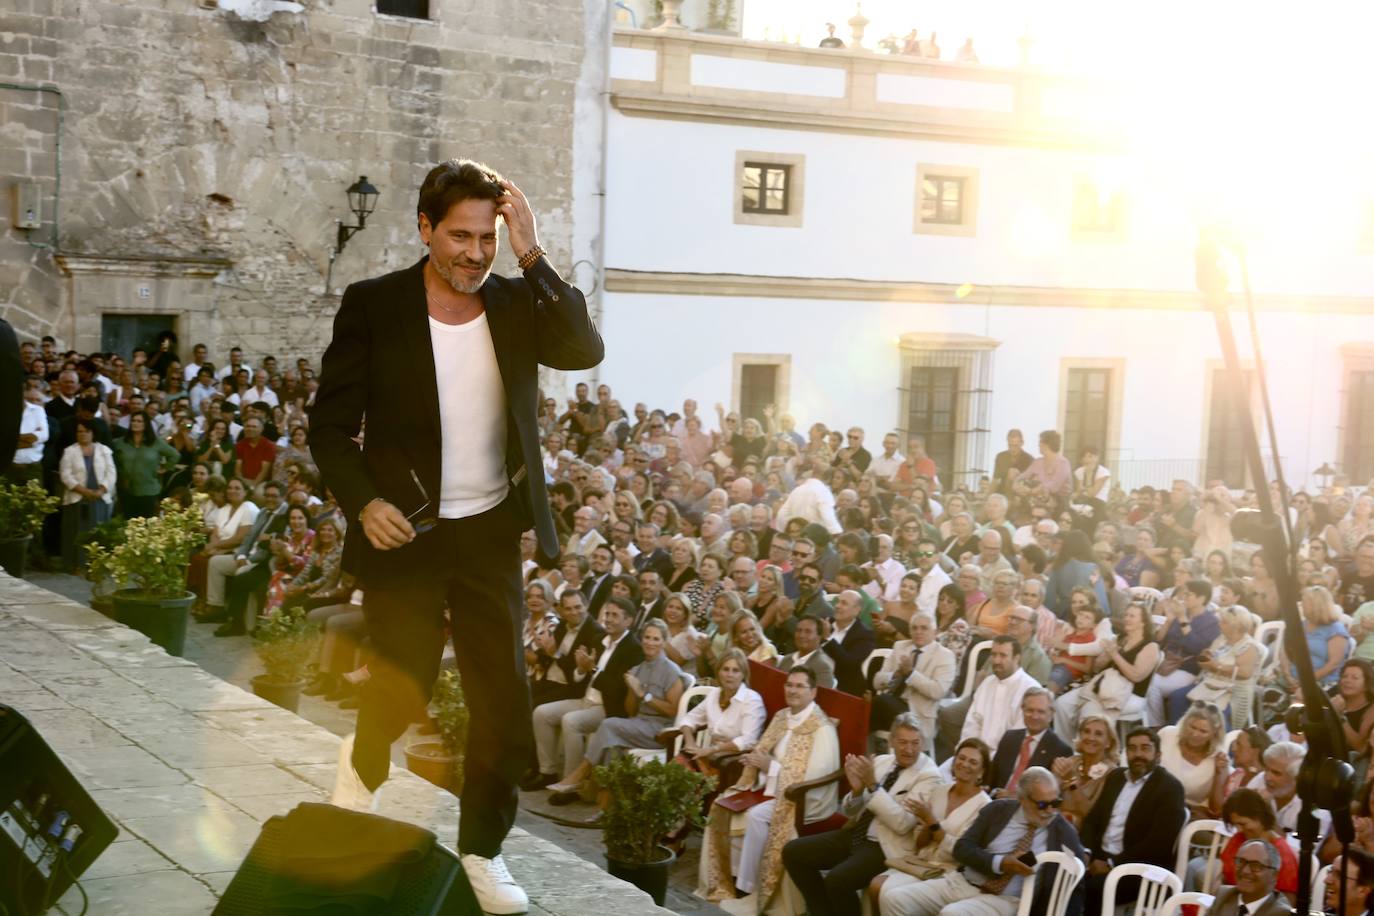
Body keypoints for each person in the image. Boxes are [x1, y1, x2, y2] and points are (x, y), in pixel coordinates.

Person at [310, 158, 603, 911]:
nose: (475, 254)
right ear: (424, 229)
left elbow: (582, 349)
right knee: (401, 678)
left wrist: (532, 249)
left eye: (489, 239)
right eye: (460, 237)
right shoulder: (374, 304)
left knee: (502, 697)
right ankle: (364, 760)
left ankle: (482, 848)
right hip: (405, 533)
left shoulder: (513, 301)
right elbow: (331, 429)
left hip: (488, 532)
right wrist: (362, 501)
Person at [702, 667, 841, 910]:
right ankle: (728, 880)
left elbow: (811, 777)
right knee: (721, 804)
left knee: (756, 816)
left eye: (800, 686)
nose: (793, 690)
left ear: (814, 692)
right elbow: (764, 747)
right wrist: (754, 762)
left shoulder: (821, 729)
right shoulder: (782, 716)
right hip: (770, 787)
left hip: (803, 799)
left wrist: (770, 767)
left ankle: (751, 888)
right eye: (789, 685)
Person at [782, 714, 941, 916]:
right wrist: (857, 792)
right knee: (793, 852)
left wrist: (873, 786)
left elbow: (903, 824)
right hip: (856, 833)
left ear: (922, 743)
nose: (909, 749)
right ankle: (821, 911)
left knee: (837, 880)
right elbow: (849, 811)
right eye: (902, 742)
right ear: (891, 741)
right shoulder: (883, 762)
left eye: (915, 743)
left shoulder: (929, 775)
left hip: (885, 846)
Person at [876, 767, 1086, 916]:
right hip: (964, 883)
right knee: (893, 899)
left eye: (1056, 802)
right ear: (1022, 799)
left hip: (1006, 900)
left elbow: (1077, 879)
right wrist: (999, 863)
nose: (1050, 811)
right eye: (1042, 804)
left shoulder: (1062, 832)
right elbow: (962, 848)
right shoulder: (997, 810)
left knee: (953, 914)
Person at [549, 619, 687, 797]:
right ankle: (607, 806)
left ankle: (579, 775)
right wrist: (631, 690)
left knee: (609, 725)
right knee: (611, 747)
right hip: (639, 724)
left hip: (660, 730)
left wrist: (644, 694)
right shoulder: (638, 668)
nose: (650, 642)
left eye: (656, 639)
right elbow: (630, 712)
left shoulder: (671, 671)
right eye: (647, 637)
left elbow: (673, 711)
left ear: (664, 642)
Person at [530, 597, 642, 793]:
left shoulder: (633, 649)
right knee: (541, 713)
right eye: (607, 614)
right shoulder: (599, 640)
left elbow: (617, 690)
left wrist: (593, 669)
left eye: (615, 615)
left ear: (629, 621)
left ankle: (570, 783)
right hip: (585, 699)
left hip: (608, 708)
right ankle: (548, 771)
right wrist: (582, 669)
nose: (608, 619)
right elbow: (578, 677)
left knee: (571, 721)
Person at [1079, 728, 1188, 916]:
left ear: (1158, 755)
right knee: (1057, 876)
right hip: (1098, 859)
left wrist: (1112, 864)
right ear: (1125, 753)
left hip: (1139, 870)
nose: (1138, 754)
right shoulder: (1115, 777)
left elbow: (1158, 845)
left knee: (1088, 890)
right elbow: (1092, 821)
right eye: (1132, 749)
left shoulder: (1170, 788)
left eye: (1145, 748)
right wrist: (1087, 854)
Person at [876, 738, 991, 900]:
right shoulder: (939, 791)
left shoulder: (985, 806)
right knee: (877, 886)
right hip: (921, 863)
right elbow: (919, 844)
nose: (965, 764)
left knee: (891, 895)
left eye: (973, 762)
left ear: (982, 771)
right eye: (962, 758)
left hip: (950, 872)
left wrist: (930, 821)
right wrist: (925, 824)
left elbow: (961, 852)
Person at [1054, 602, 1159, 736]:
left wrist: (1115, 655)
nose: (1127, 618)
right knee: (1062, 704)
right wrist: (1105, 656)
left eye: (1132, 616)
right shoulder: (1120, 639)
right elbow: (1097, 668)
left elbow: (1136, 676)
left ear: (1143, 622)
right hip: (1105, 685)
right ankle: (1068, 748)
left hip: (1130, 694)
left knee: (1088, 714)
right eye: (1126, 615)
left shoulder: (1150, 646)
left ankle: (1087, 753)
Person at [672, 648, 766, 778]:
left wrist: (712, 750)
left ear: (743, 674)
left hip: (735, 762)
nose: (730, 675)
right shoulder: (714, 694)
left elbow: (748, 740)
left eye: (735, 670)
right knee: (673, 774)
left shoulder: (752, 700)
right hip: (711, 755)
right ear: (718, 672)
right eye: (725, 669)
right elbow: (689, 719)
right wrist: (690, 742)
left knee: (684, 779)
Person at [1192, 789, 1299, 897]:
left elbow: (1286, 903)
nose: (1239, 830)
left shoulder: (1282, 854)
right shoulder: (1238, 839)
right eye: (1235, 825)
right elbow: (1224, 878)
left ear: (1260, 817)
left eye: (1243, 824)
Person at [1146, 579, 1221, 726]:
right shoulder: (1181, 613)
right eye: (1184, 594)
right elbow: (1160, 640)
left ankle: (1157, 726)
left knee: (1150, 686)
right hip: (1165, 662)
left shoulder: (1211, 622)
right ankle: (1150, 722)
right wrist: (1169, 620)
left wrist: (1182, 619)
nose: (1185, 597)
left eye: (1189, 594)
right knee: (1140, 679)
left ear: (1202, 599)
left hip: (1188, 669)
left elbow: (1198, 649)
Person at [871, 615, 956, 745]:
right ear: (909, 631)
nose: (918, 632)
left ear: (935, 632)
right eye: (914, 628)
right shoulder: (900, 646)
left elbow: (937, 691)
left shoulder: (945, 655)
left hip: (917, 714)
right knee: (867, 709)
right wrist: (895, 675)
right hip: (890, 706)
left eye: (924, 628)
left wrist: (911, 674)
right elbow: (876, 682)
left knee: (875, 705)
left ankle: (855, 750)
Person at [957, 635, 1040, 752]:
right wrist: (969, 751)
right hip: (978, 754)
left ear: (1016, 658)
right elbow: (973, 723)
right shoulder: (987, 683)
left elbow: (1021, 736)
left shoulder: (1030, 688)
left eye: (1003, 656)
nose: (996, 661)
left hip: (1008, 758)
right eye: (993, 654)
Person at [987, 688, 1073, 796]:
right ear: (1022, 710)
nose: (1034, 716)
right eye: (1030, 710)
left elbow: (1052, 795)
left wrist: (1014, 797)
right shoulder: (1009, 738)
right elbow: (991, 778)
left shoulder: (1060, 750)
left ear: (1051, 715)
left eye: (1041, 712)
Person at [57, 418, 115, 571]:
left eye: (86, 431)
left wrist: (101, 490)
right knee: (75, 532)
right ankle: (75, 565)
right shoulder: (70, 451)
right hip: (77, 497)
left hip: (99, 497)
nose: (82, 434)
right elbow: (65, 475)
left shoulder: (104, 450)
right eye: (79, 431)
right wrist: (84, 491)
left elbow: (111, 473)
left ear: (93, 433)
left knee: (98, 532)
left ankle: (98, 565)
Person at [1157, 701, 1227, 818]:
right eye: (1192, 727)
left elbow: (1216, 809)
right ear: (1185, 723)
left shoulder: (1219, 757)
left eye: (1203, 731)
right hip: (1155, 801)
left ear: (1214, 733)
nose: (1195, 734)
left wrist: (1218, 773)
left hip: (1190, 814)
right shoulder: (1167, 734)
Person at [1051, 716, 1118, 826]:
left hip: (1087, 835)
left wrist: (1071, 781)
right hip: (1058, 825)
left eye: (1098, 734)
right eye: (1086, 731)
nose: (1091, 738)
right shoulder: (1071, 762)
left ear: (1108, 742)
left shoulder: (1112, 773)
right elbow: (1050, 799)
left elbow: (1092, 815)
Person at [111, 410, 178, 517]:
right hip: (126, 491)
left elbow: (175, 455)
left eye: (139, 421)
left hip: (149, 490)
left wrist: (165, 468)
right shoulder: (120, 442)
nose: (135, 423)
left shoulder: (156, 442)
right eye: (133, 421)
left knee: (146, 525)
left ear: (146, 424)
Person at [1209, 839, 1295, 916]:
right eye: (1241, 862)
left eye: (1256, 866)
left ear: (1274, 875)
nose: (1245, 871)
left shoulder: (1281, 913)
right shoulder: (1223, 896)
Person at [823, 590, 877, 696]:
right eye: (838, 602)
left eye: (844, 603)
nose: (837, 606)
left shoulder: (865, 635)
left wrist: (827, 639)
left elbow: (849, 664)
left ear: (856, 610)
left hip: (842, 687)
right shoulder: (826, 622)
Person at [777, 614, 838, 690]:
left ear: (819, 637)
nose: (802, 635)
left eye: (808, 631)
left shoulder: (823, 667)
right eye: (799, 631)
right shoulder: (786, 660)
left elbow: (822, 698)